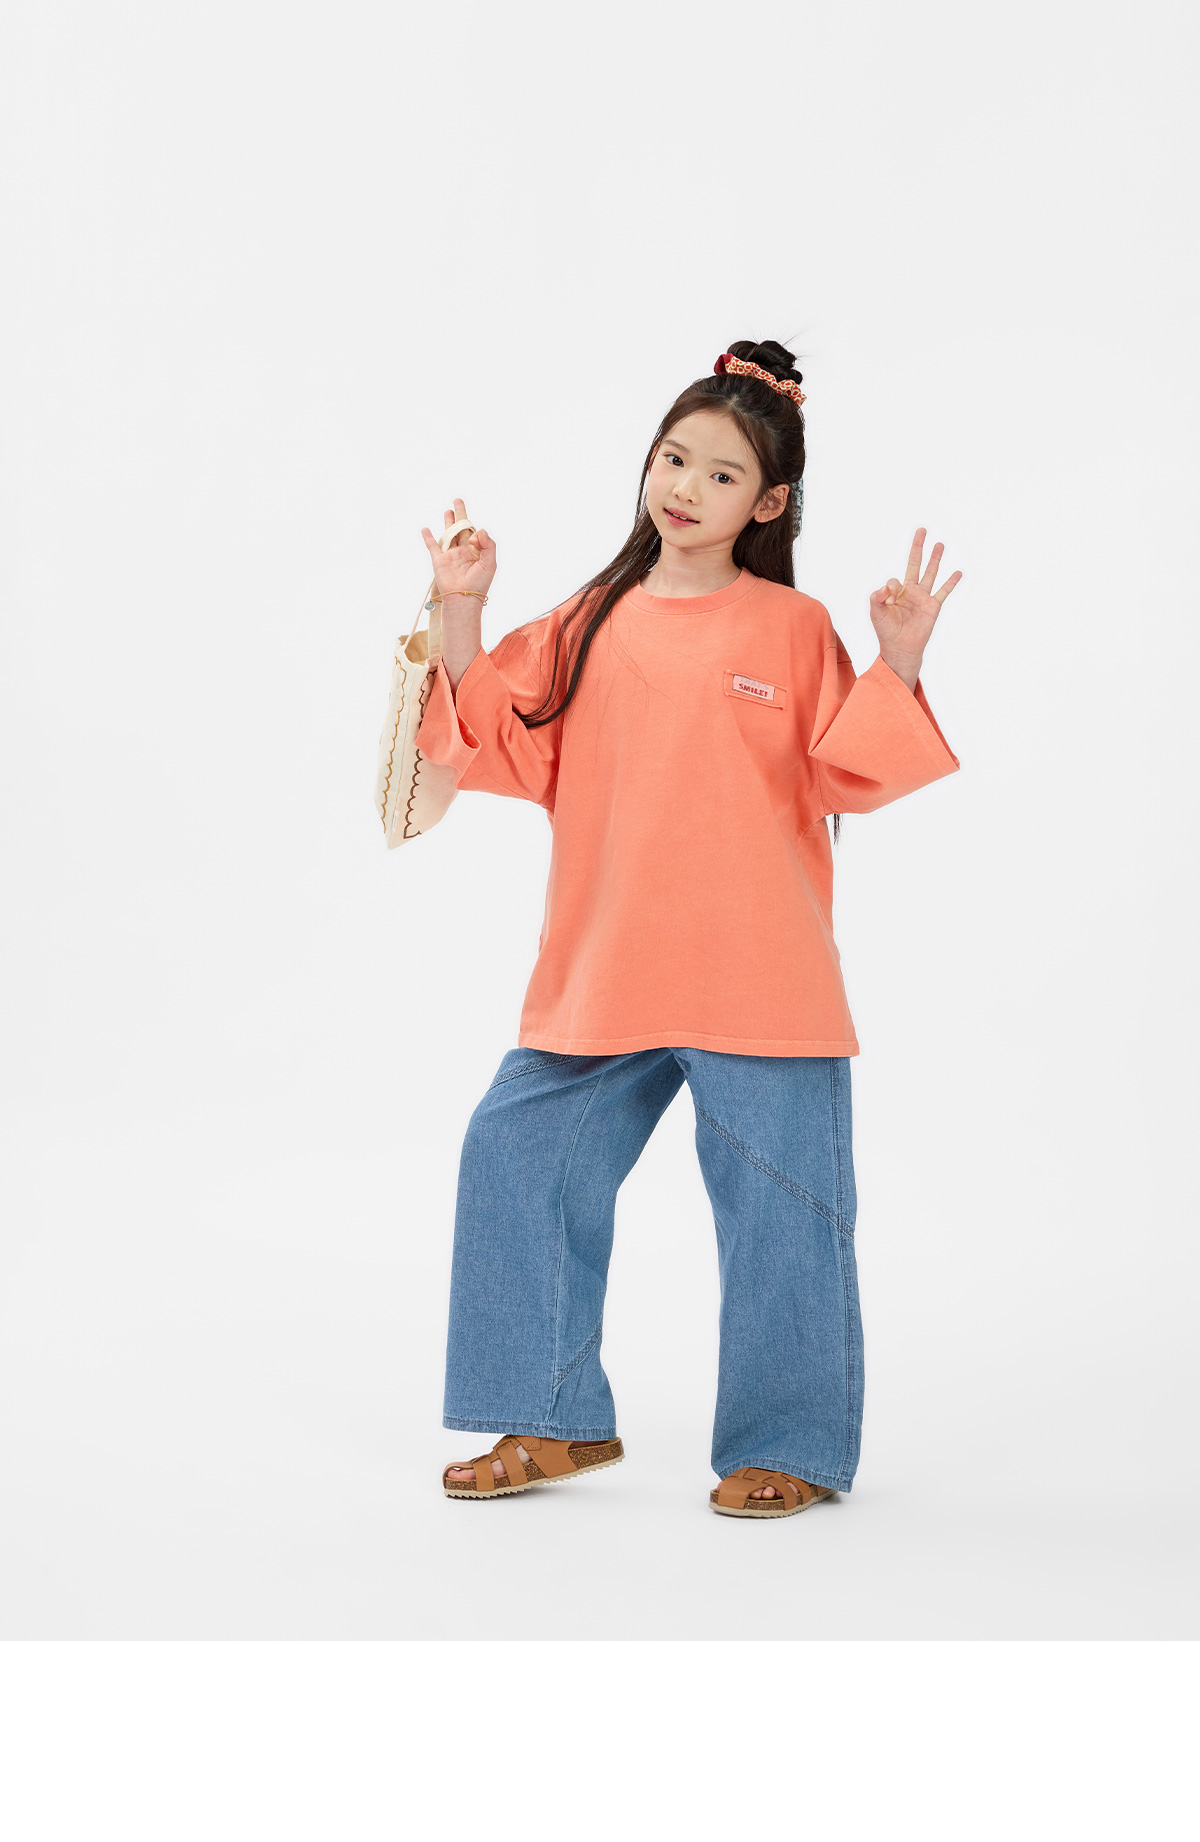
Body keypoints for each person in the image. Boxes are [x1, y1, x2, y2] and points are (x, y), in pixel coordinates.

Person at [414, 340, 962, 1519]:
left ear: (766, 504)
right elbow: (491, 736)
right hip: (603, 966)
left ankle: (791, 1444)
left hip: (761, 977)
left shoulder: (792, 627)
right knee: (513, 1153)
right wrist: (463, 607)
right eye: (674, 457)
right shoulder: (588, 618)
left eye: (722, 474)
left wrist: (901, 662)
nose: (686, 487)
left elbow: (852, 768)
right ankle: (552, 1419)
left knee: (784, 1216)